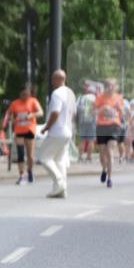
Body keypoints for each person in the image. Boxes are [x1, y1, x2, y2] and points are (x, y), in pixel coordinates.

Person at [36, 70, 76, 198]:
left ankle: (59, 182)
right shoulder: (70, 93)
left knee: (44, 157)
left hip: (57, 131)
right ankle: (61, 190)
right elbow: (73, 113)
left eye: (53, 79)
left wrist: (47, 127)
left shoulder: (57, 94)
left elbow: (55, 113)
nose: (52, 82)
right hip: (67, 131)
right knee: (59, 160)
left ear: (59, 80)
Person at [1, 85, 43, 185]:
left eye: (27, 94)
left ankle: (30, 171)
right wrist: (12, 119)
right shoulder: (15, 103)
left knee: (30, 155)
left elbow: (41, 112)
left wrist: (31, 115)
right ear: (20, 94)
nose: (25, 96)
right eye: (23, 94)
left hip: (29, 129)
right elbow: (9, 114)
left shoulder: (33, 101)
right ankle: (21, 175)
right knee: (20, 153)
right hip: (19, 130)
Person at [94, 78, 125, 188]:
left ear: (115, 86)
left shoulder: (119, 97)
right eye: (108, 85)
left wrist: (119, 109)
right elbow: (93, 111)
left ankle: (110, 179)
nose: (110, 87)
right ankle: (104, 169)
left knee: (110, 150)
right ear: (105, 86)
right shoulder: (100, 97)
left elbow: (122, 112)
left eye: (112, 85)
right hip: (102, 126)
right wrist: (102, 109)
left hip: (114, 126)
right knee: (102, 153)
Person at [76, 83, 97, 162]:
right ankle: (89, 157)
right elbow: (97, 110)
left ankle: (80, 157)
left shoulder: (81, 98)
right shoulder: (95, 98)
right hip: (92, 121)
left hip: (82, 121)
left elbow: (77, 109)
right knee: (91, 140)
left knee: (82, 139)